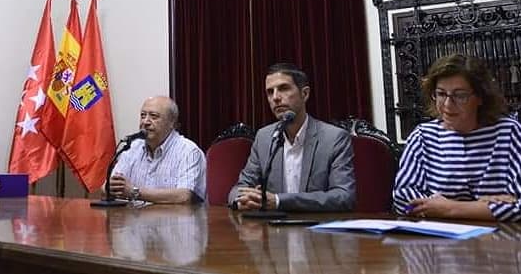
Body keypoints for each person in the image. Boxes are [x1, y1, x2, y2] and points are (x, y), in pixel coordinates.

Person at [392, 53, 521, 222]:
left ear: (480, 97)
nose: (448, 105)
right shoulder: (423, 136)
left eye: (460, 95)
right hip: (441, 243)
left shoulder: (509, 133)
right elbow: (402, 199)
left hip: (502, 243)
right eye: (441, 94)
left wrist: (449, 208)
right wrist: (480, 205)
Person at [229, 63, 355, 212]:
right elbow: (239, 188)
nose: (275, 97)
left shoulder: (333, 138)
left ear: (305, 94)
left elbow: (344, 196)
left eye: (283, 88)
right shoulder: (264, 137)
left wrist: (278, 201)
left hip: (317, 229)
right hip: (273, 231)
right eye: (270, 92)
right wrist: (242, 200)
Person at [108, 96, 206, 204]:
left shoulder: (188, 151)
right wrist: (112, 187)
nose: (145, 122)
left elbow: (184, 197)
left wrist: (134, 192)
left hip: (174, 219)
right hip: (135, 219)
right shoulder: (132, 148)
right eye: (143, 115)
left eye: (153, 116)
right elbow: (106, 189)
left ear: (172, 122)